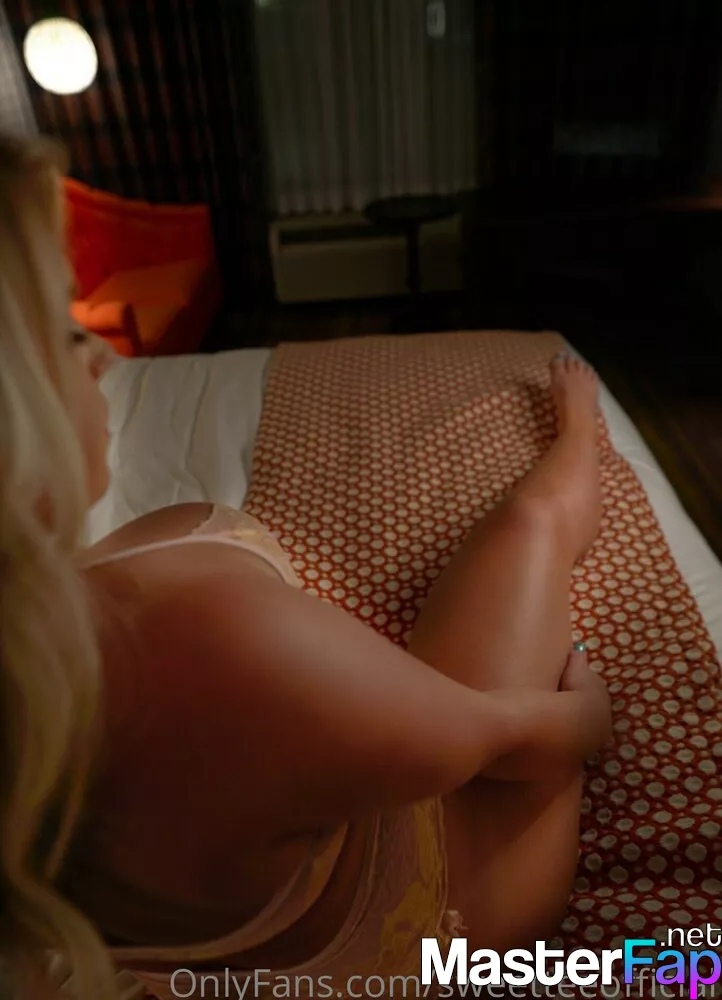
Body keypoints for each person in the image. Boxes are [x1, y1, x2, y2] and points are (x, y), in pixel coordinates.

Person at [0, 132, 611, 1000]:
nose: (101, 354)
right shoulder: (215, 648)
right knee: (535, 520)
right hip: (445, 909)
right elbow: (521, 743)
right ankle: (583, 426)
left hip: (317, 807)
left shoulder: (39, 638)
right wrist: (589, 711)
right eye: (62, 334)